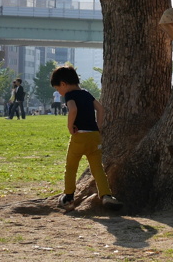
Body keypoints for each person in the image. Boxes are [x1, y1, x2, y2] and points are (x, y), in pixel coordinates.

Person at [50, 65, 121, 211]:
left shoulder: (70, 95)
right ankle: (106, 195)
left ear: (63, 84)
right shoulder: (87, 93)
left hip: (79, 136)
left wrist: (70, 127)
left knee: (71, 167)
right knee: (97, 168)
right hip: (94, 136)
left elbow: (73, 109)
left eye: (58, 89)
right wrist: (98, 127)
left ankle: (69, 197)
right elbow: (100, 109)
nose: (59, 92)